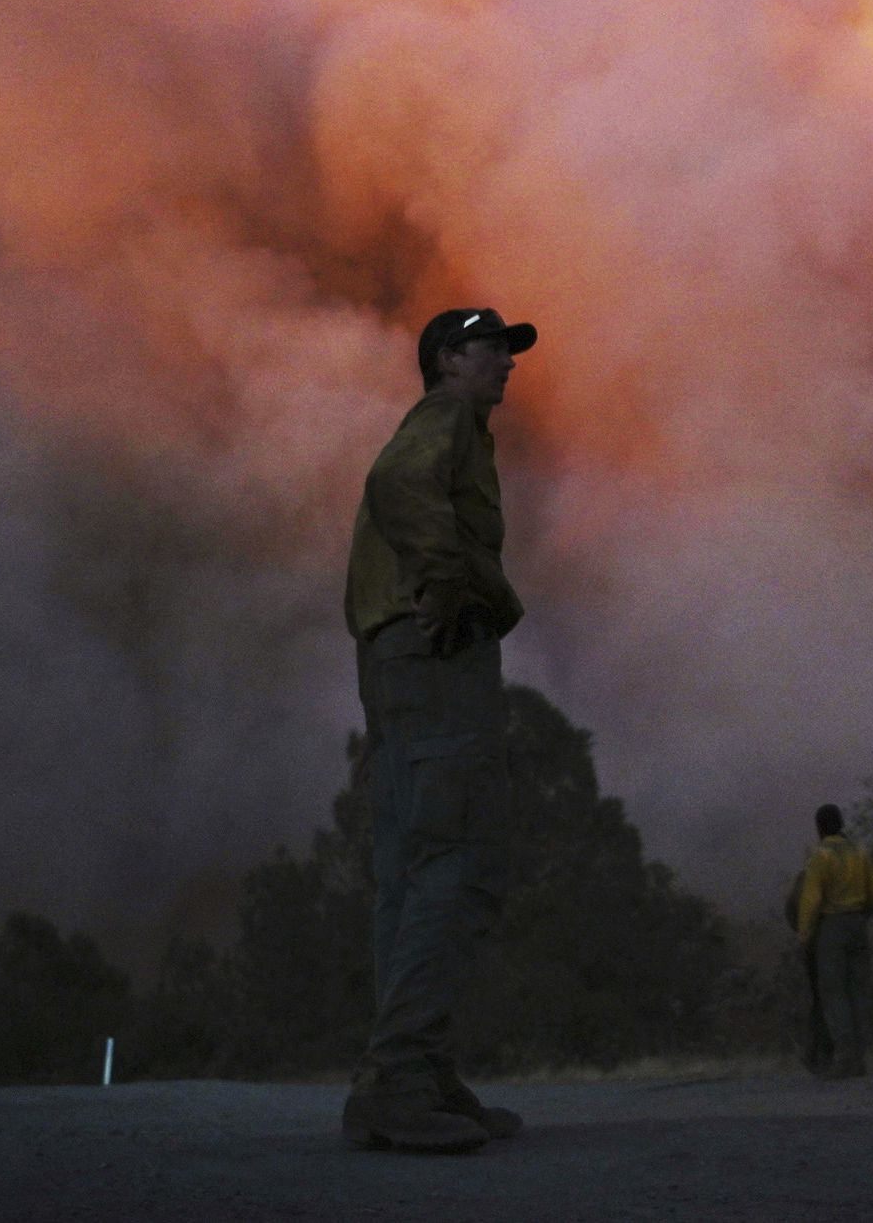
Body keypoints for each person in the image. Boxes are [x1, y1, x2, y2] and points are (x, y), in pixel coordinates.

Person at [338, 308, 536, 1153]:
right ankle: (404, 1073)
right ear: (450, 358)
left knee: (410, 871)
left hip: (394, 661)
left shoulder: (450, 423)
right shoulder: (446, 417)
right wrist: (448, 582)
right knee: (460, 859)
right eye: (493, 349)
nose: (508, 365)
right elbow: (400, 484)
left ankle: (411, 1074)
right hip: (433, 653)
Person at [789, 803, 873, 1079]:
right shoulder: (860, 852)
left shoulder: (820, 857)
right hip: (859, 925)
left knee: (834, 994)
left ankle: (845, 1059)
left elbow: (811, 902)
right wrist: (863, 915)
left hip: (832, 928)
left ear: (819, 828)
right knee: (857, 990)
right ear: (842, 824)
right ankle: (859, 1058)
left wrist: (804, 937)